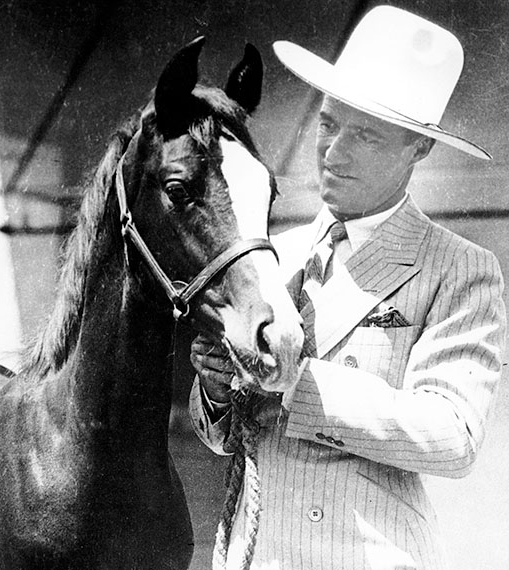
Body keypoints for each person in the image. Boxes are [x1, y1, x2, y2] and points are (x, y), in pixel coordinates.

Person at [190, 6, 506, 570]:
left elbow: (453, 436)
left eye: (364, 135)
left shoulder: (460, 270)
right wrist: (215, 392)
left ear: (419, 147)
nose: (333, 154)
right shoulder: (269, 257)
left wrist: (296, 381)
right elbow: (224, 442)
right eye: (329, 124)